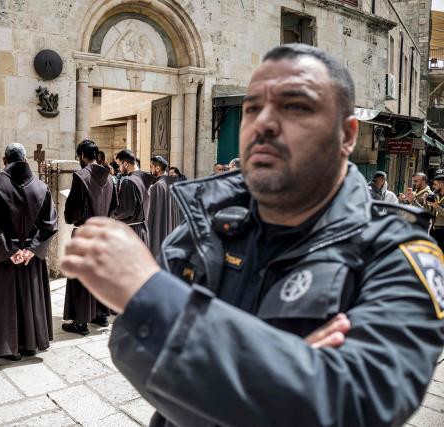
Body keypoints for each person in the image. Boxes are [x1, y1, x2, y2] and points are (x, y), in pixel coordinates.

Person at [61, 44, 444, 427]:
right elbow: (136, 352)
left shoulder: (398, 253)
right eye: (252, 108)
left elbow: (353, 406)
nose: (264, 122)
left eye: (295, 106)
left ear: (346, 135)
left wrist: (153, 296)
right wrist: (294, 372)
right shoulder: (207, 227)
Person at [0, 143, 58, 360]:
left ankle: (8, 347)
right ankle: (30, 344)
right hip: (31, 256)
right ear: (25, 160)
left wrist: (10, 251)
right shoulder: (42, 187)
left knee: (6, 300)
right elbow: (50, 224)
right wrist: (32, 249)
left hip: (4, 255)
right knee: (29, 297)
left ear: (4, 160)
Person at [62, 140, 118, 335]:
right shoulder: (110, 177)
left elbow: (73, 213)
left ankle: (80, 323)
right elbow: (114, 206)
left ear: (82, 156)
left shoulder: (80, 176)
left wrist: (70, 214)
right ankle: (100, 315)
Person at [113, 149, 151, 246]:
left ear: (125, 164)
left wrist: (112, 212)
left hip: (131, 233)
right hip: (142, 229)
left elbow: (125, 210)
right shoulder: (144, 178)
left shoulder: (129, 182)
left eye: (119, 165)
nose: (118, 169)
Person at [147, 155, 181, 257]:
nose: (150, 169)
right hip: (170, 232)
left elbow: (152, 214)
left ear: (157, 168)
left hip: (159, 232)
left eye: (151, 166)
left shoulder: (157, 186)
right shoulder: (172, 184)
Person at [427, 175, 444, 249]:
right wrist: (427, 203)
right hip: (434, 230)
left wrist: (436, 206)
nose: (433, 186)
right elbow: (429, 214)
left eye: (435, 184)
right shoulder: (435, 196)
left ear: (442, 185)